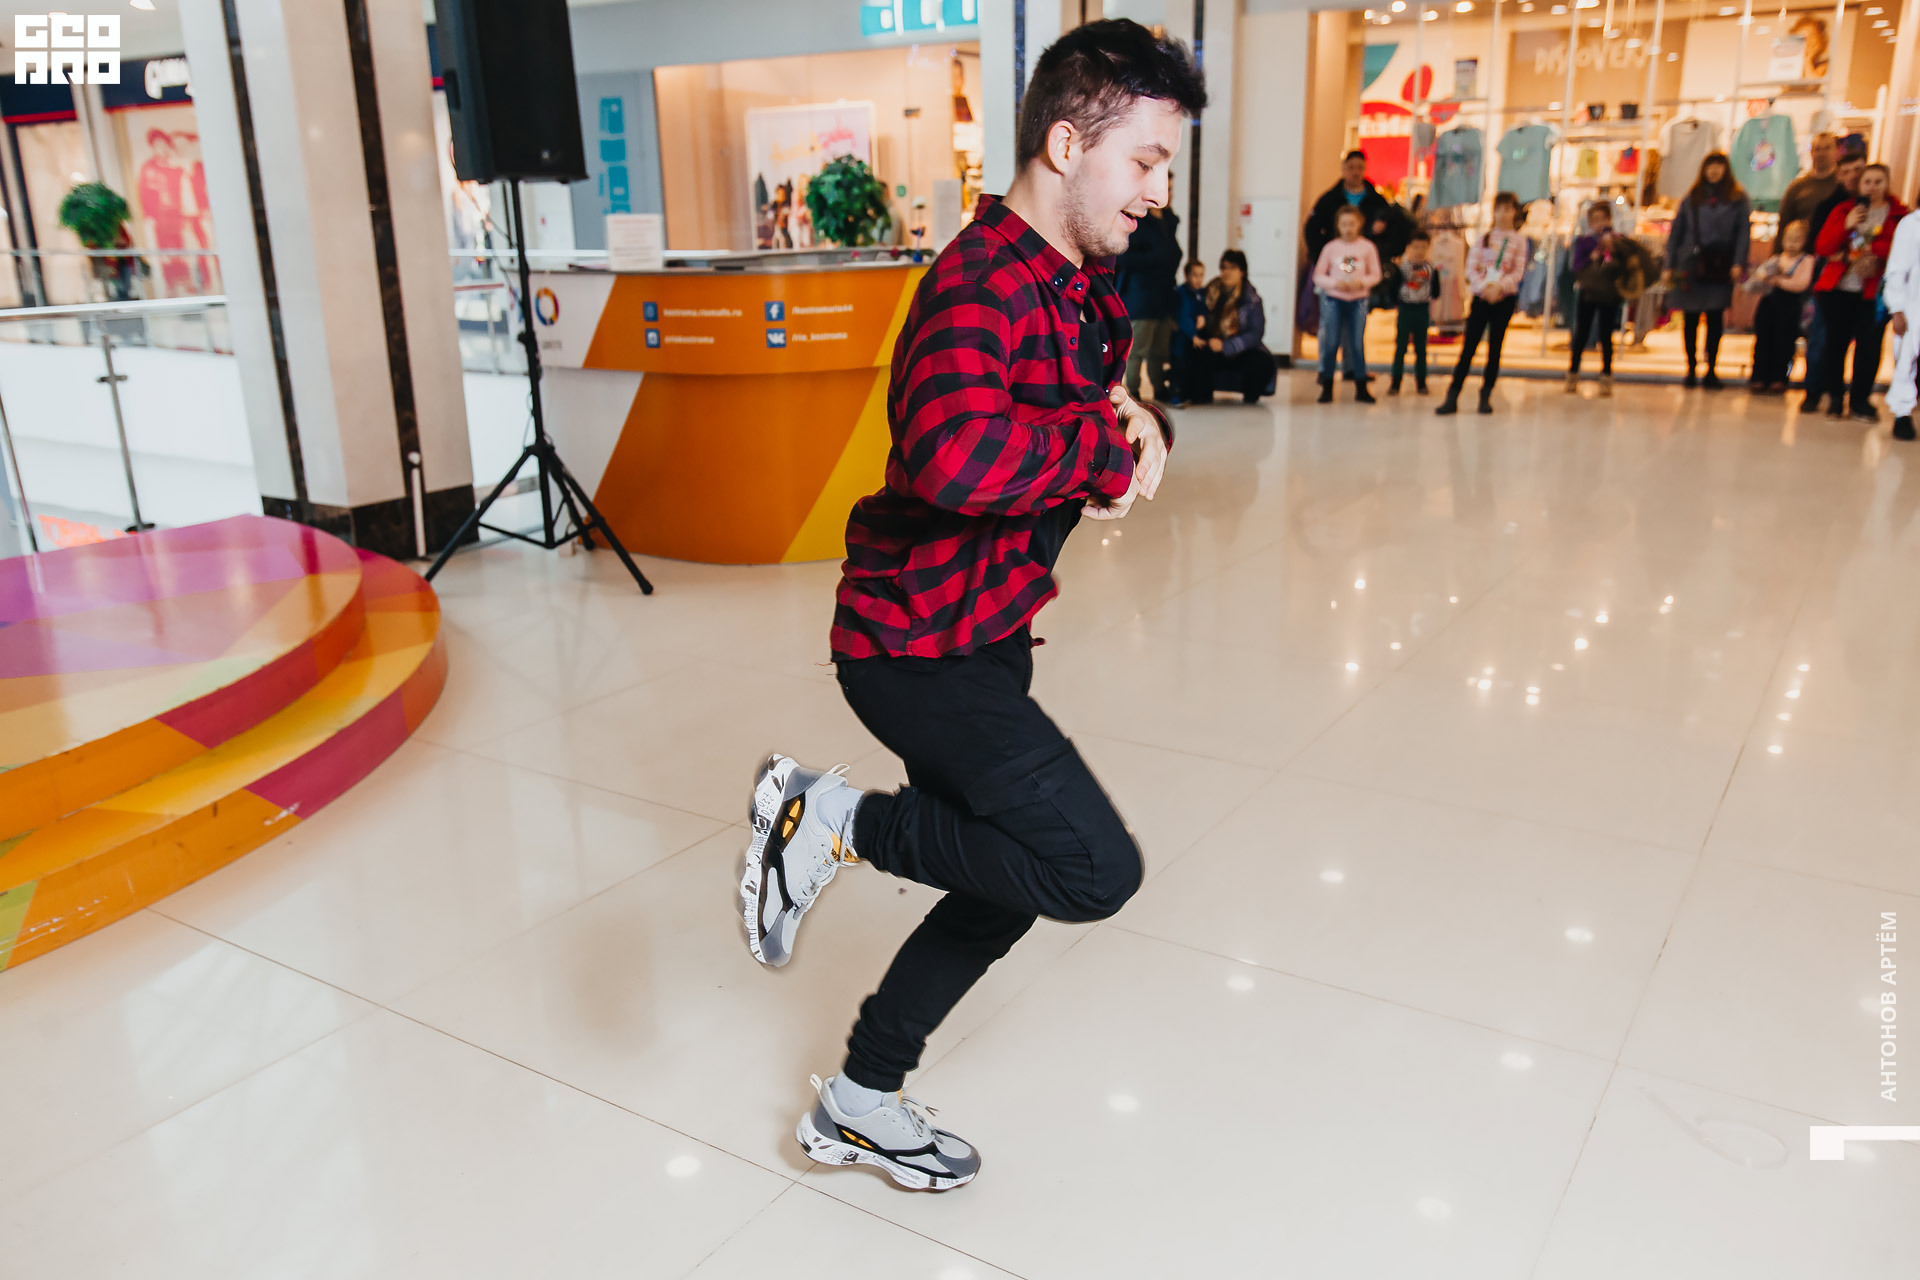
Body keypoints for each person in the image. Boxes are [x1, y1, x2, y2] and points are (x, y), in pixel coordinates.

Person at [737, 18, 1201, 1193]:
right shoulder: (978, 282)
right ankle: (829, 818)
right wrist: (1099, 451)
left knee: (1001, 880)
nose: (1157, 191)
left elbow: (1093, 405)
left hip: (982, 631)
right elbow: (952, 455)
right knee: (1091, 868)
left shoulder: (1074, 282)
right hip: (915, 645)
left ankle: (858, 1099)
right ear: (1067, 144)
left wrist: (1140, 423)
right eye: (1145, 161)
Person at [1811, 162, 1908, 422]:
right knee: (1836, 344)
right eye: (1867, 182)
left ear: (1886, 184)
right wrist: (1846, 224)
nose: (1872, 187)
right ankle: (1835, 396)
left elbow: (1903, 248)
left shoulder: (1898, 215)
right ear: (1859, 185)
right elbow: (1822, 246)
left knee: (1869, 346)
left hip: (1874, 292)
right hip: (1840, 288)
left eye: (1878, 181)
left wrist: (1874, 254)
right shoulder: (1845, 210)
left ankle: (1860, 400)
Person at [1437, 191, 1528, 416]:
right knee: (1469, 347)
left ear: (1514, 212)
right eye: (1499, 209)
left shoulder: (1519, 241)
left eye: (1508, 209)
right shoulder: (1483, 238)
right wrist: (1483, 287)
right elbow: (1471, 267)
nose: (1503, 214)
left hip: (1504, 299)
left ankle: (1486, 394)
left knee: (1495, 348)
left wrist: (1500, 287)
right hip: (1482, 298)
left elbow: (1518, 271)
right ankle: (1453, 394)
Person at [1664, 152, 1751, 389]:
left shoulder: (1737, 199)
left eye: (1718, 166)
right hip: (1690, 264)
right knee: (1690, 318)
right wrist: (1669, 265)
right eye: (1709, 166)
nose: (1713, 171)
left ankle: (1711, 369)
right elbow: (1675, 234)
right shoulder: (1692, 197)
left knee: (1715, 319)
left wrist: (1738, 262)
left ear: (1726, 169)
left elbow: (1743, 233)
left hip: (1720, 266)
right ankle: (1691, 368)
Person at [1800, 148, 1866, 409]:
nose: (1852, 176)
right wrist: (1842, 250)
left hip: (1865, 285)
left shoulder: (1880, 206)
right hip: (1831, 282)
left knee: (1860, 343)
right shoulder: (1829, 206)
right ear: (1839, 175)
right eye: (1846, 172)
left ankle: (1852, 396)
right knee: (1821, 337)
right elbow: (1819, 244)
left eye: (1858, 170)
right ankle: (1813, 391)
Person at [1565, 202, 1646, 396]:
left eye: (1603, 219)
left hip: (1610, 294)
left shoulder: (1619, 241)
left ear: (1610, 220)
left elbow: (1629, 264)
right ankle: (1573, 374)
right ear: (1589, 222)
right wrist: (1591, 258)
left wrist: (1615, 248)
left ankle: (1606, 377)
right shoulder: (1584, 242)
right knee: (1581, 334)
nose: (1600, 224)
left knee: (1606, 336)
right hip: (1589, 292)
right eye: (1595, 220)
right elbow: (1575, 266)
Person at [1187, 248, 1278, 405]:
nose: (1227, 272)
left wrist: (1226, 345)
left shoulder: (1251, 300)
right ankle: (1198, 395)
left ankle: (1251, 396)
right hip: (1212, 344)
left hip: (1241, 349)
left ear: (1242, 272)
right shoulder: (1210, 291)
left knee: (1261, 362)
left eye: (1232, 268)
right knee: (1195, 353)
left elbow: (1255, 334)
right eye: (1224, 267)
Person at [1311, 205, 1381, 403]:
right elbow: (1318, 275)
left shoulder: (1367, 247)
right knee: (1331, 342)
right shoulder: (1331, 248)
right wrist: (1334, 283)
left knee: (1357, 344)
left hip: (1358, 300)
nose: (1348, 228)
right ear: (1338, 226)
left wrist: (1362, 283)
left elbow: (1376, 274)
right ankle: (1327, 385)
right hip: (1334, 300)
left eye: (1352, 224)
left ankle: (1361, 386)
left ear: (1359, 224)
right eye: (1344, 224)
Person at [1116, 201, 1182, 400]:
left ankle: (1159, 388)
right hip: (1142, 295)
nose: (1168, 194)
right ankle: (1133, 391)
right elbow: (1123, 257)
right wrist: (1157, 258)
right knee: (1138, 348)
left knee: (1159, 348)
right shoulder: (1139, 221)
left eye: (1171, 189)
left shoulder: (1168, 221)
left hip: (1164, 294)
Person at [1743, 218, 1817, 394]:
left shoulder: (1806, 260)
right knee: (1763, 341)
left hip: (1790, 305)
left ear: (1805, 241)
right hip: (1769, 304)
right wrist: (1761, 276)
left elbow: (1801, 284)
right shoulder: (1776, 259)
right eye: (1788, 239)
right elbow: (1758, 278)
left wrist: (1777, 280)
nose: (1791, 244)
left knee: (1784, 343)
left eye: (1796, 240)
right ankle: (1759, 376)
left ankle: (1779, 377)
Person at [1303, 149, 1411, 268]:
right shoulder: (1329, 199)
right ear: (1343, 169)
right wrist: (1322, 257)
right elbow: (1311, 229)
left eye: (1360, 168)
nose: (1355, 172)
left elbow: (1395, 228)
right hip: (1336, 261)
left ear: (1365, 169)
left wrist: (1382, 250)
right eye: (1351, 167)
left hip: (1366, 262)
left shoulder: (1377, 201)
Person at [1884, 209, 1918, 440]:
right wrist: (1897, 308)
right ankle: (1902, 414)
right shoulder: (1911, 224)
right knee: (1907, 360)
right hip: (1914, 306)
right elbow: (1896, 270)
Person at [1390, 229, 1435, 395]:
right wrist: (1397, 303)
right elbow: (1393, 288)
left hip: (1422, 309)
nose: (1419, 251)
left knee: (1421, 347)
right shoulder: (1402, 268)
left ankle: (1421, 381)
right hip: (1405, 309)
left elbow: (1436, 289)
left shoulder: (1431, 268)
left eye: (1423, 247)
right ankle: (1396, 382)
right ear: (1408, 248)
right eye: (1416, 247)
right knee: (1401, 346)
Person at [1778, 132, 1841, 231]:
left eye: (1827, 148)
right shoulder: (1796, 187)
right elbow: (1783, 225)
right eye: (1817, 149)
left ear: (1837, 151)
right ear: (1811, 153)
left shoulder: (1844, 184)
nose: (1821, 154)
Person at [1166, 257, 1208, 406]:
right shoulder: (1181, 293)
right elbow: (1182, 317)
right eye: (1194, 275)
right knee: (1179, 367)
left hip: (1191, 340)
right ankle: (1175, 396)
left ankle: (1186, 394)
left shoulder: (1200, 293)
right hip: (1181, 339)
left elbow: (1202, 310)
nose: (1198, 279)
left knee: (1188, 367)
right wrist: (1193, 335)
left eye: (1201, 275)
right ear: (1187, 275)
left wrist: (1203, 316)